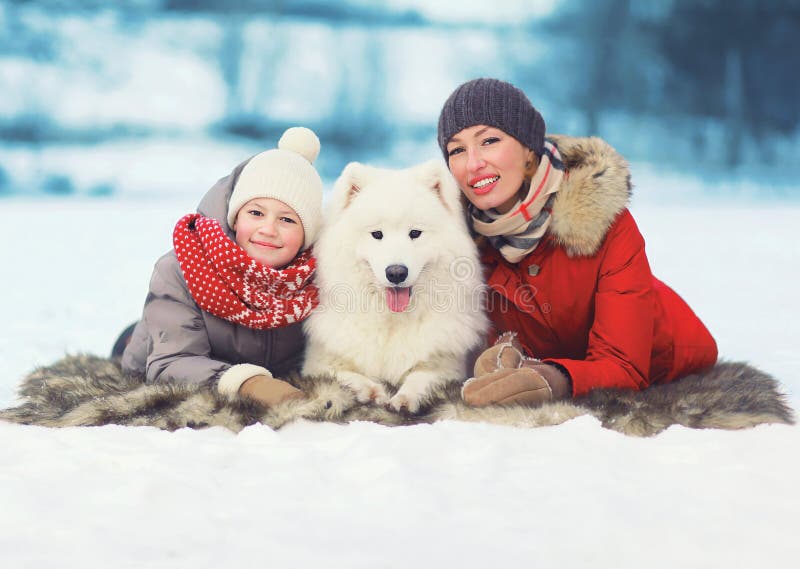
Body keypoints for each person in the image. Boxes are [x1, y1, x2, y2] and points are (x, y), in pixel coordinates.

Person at [437, 78, 718, 407]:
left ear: (529, 152)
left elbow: (624, 365)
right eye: (457, 150)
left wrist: (553, 379)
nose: (473, 163)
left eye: (489, 141)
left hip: (668, 355)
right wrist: (500, 352)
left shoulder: (605, 222)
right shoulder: (458, 244)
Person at [120, 127, 323, 407]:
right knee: (137, 346)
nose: (268, 229)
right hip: (164, 358)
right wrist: (251, 384)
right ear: (235, 218)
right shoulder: (184, 269)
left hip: (263, 369)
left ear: (307, 234)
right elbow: (171, 363)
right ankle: (131, 336)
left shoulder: (316, 280)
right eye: (256, 213)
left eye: (287, 220)